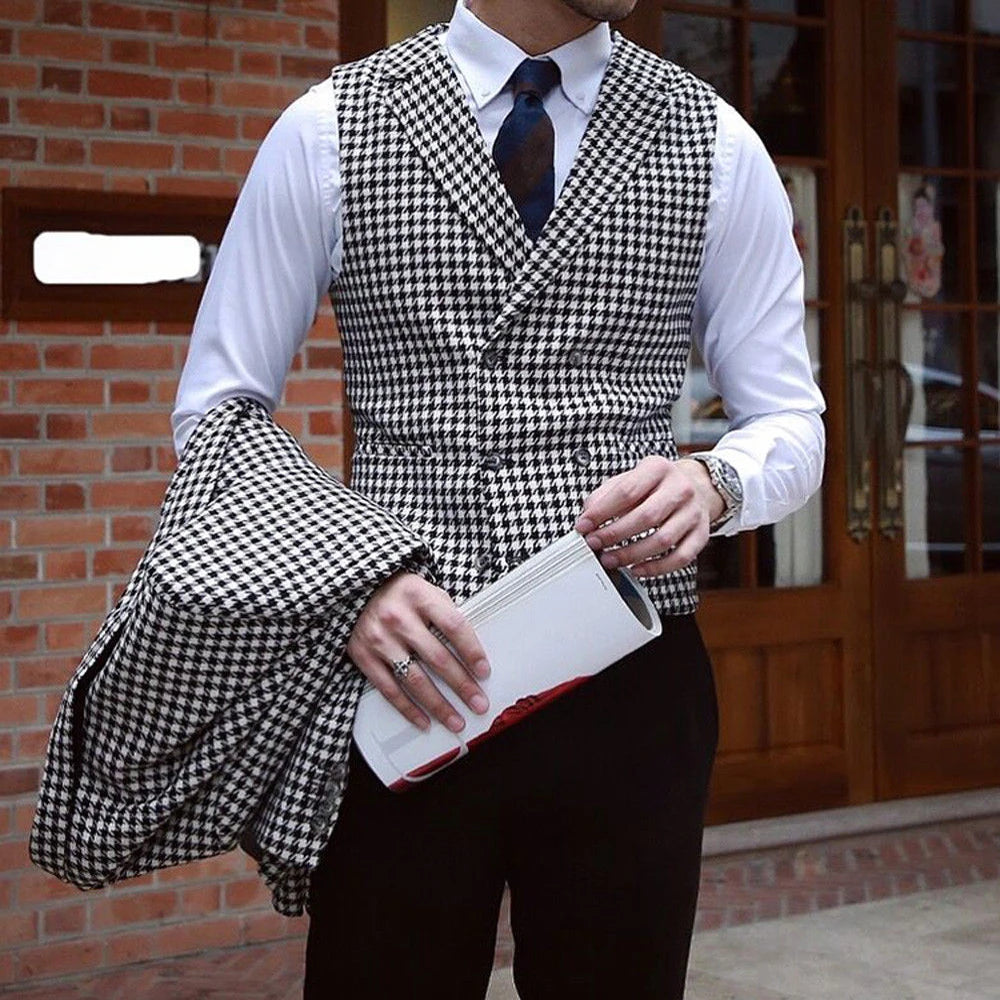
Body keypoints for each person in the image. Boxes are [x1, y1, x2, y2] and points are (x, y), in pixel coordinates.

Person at [171, 0, 826, 995]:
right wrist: (347, 576)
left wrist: (715, 480)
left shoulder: (715, 142)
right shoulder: (330, 127)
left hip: (628, 681)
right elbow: (219, 410)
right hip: (402, 674)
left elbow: (791, 420)